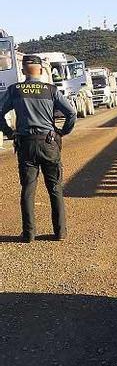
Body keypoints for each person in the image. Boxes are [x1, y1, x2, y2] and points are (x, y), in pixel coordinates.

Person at [0, 55, 77, 242]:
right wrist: (61, 132)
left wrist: (10, 132)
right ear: (41, 70)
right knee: (55, 188)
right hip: (49, 143)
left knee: (28, 189)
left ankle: (29, 234)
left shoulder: (14, 90)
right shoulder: (51, 90)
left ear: (23, 70)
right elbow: (71, 113)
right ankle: (60, 233)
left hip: (26, 144)